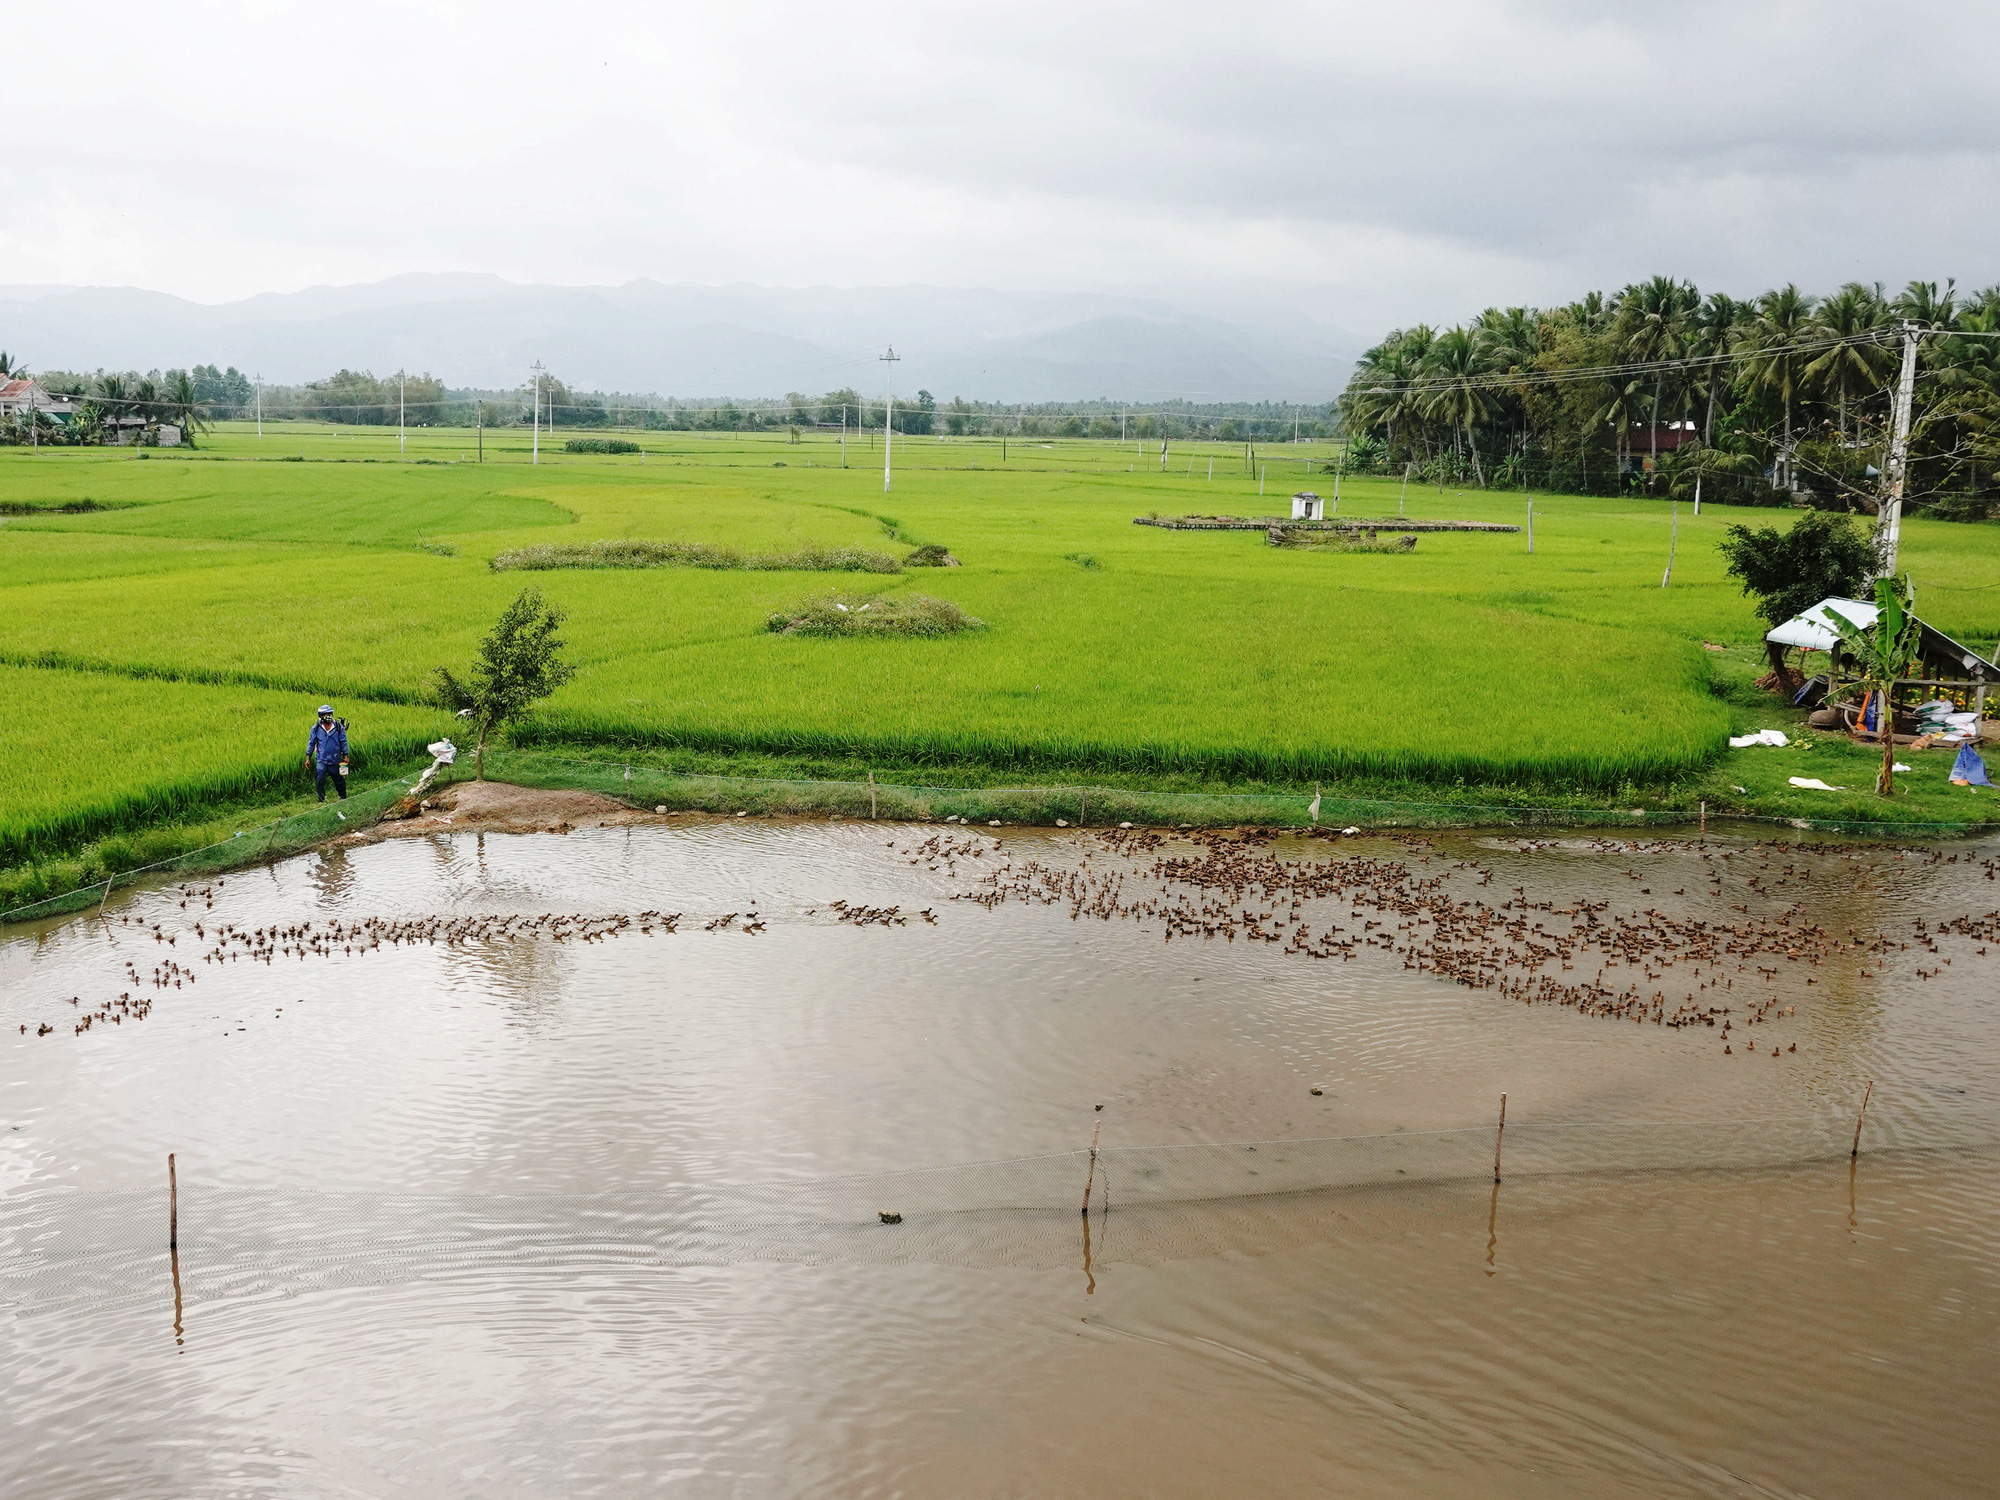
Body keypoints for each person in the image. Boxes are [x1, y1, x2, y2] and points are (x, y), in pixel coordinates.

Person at [308, 705, 349, 802]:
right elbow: (311, 743)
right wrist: (308, 757)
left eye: (329, 714)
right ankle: (321, 799)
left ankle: (343, 797)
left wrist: (346, 755)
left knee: (339, 779)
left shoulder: (338, 727)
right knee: (320, 780)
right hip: (321, 759)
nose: (328, 716)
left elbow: (343, 741)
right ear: (321, 716)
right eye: (325, 714)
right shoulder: (316, 728)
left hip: (335, 759)